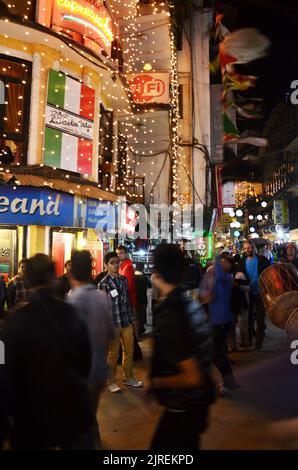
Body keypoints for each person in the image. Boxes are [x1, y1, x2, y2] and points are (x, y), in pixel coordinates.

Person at [4, 254, 94, 449]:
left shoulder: (14, 323)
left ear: (27, 282)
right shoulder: (71, 314)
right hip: (72, 412)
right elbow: (86, 362)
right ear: (52, 278)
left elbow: (7, 375)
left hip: (31, 419)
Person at [148, 244, 215, 450]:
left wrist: (156, 382)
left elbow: (191, 376)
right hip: (196, 406)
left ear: (156, 272)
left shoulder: (171, 314)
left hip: (183, 407)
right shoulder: (190, 304)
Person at [68, 251, 114, 448]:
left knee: (79, 419)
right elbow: (110, 335)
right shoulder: (102, 297)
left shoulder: (71, 301)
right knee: (89, 413)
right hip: (99, 371)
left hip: (78, 374)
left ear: (71, 273)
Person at [99, 252, 143, 393]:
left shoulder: (124, 280)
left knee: (129, 351)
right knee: (113, 354)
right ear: (106, 265)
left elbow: (127, 301)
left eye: (117, 262)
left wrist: (132, 318)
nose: (116, 264)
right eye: (112, 262)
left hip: (126, 321)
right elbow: (102, 306)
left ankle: (128, 377)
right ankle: (111, 381)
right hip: (113, 323)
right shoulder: (103, 284)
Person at [200, 254, 238, 396]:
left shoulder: (225, 278)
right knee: (218, 354)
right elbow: (204, 294)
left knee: (216, 355)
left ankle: (228, 383)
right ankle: (230, 382)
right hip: (217, 320)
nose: (221, 263)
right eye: (221, 261)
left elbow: (217, 270)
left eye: (225, 262)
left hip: (221, 321)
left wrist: (216, 259)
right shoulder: (217, 278)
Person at [239, 240, 270, 349]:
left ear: (253, 248)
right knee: (249, 317)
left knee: (260, 317)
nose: (247, 250)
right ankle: (250, 339)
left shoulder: (262, 260)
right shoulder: (243, 261)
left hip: (260, 292)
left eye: (249, 248)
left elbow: (269, 274)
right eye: (245, 248)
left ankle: (259, 341)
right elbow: (239, 274)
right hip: (248, 292)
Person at [134, 262, 151, 337]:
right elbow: (150, 286)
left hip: (134, 299)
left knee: (136, 317)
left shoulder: (132, 277)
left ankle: (139, 332)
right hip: (143, 300)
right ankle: (140, 332)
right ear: (142, 268)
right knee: (141, 316)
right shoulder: (144, 277)